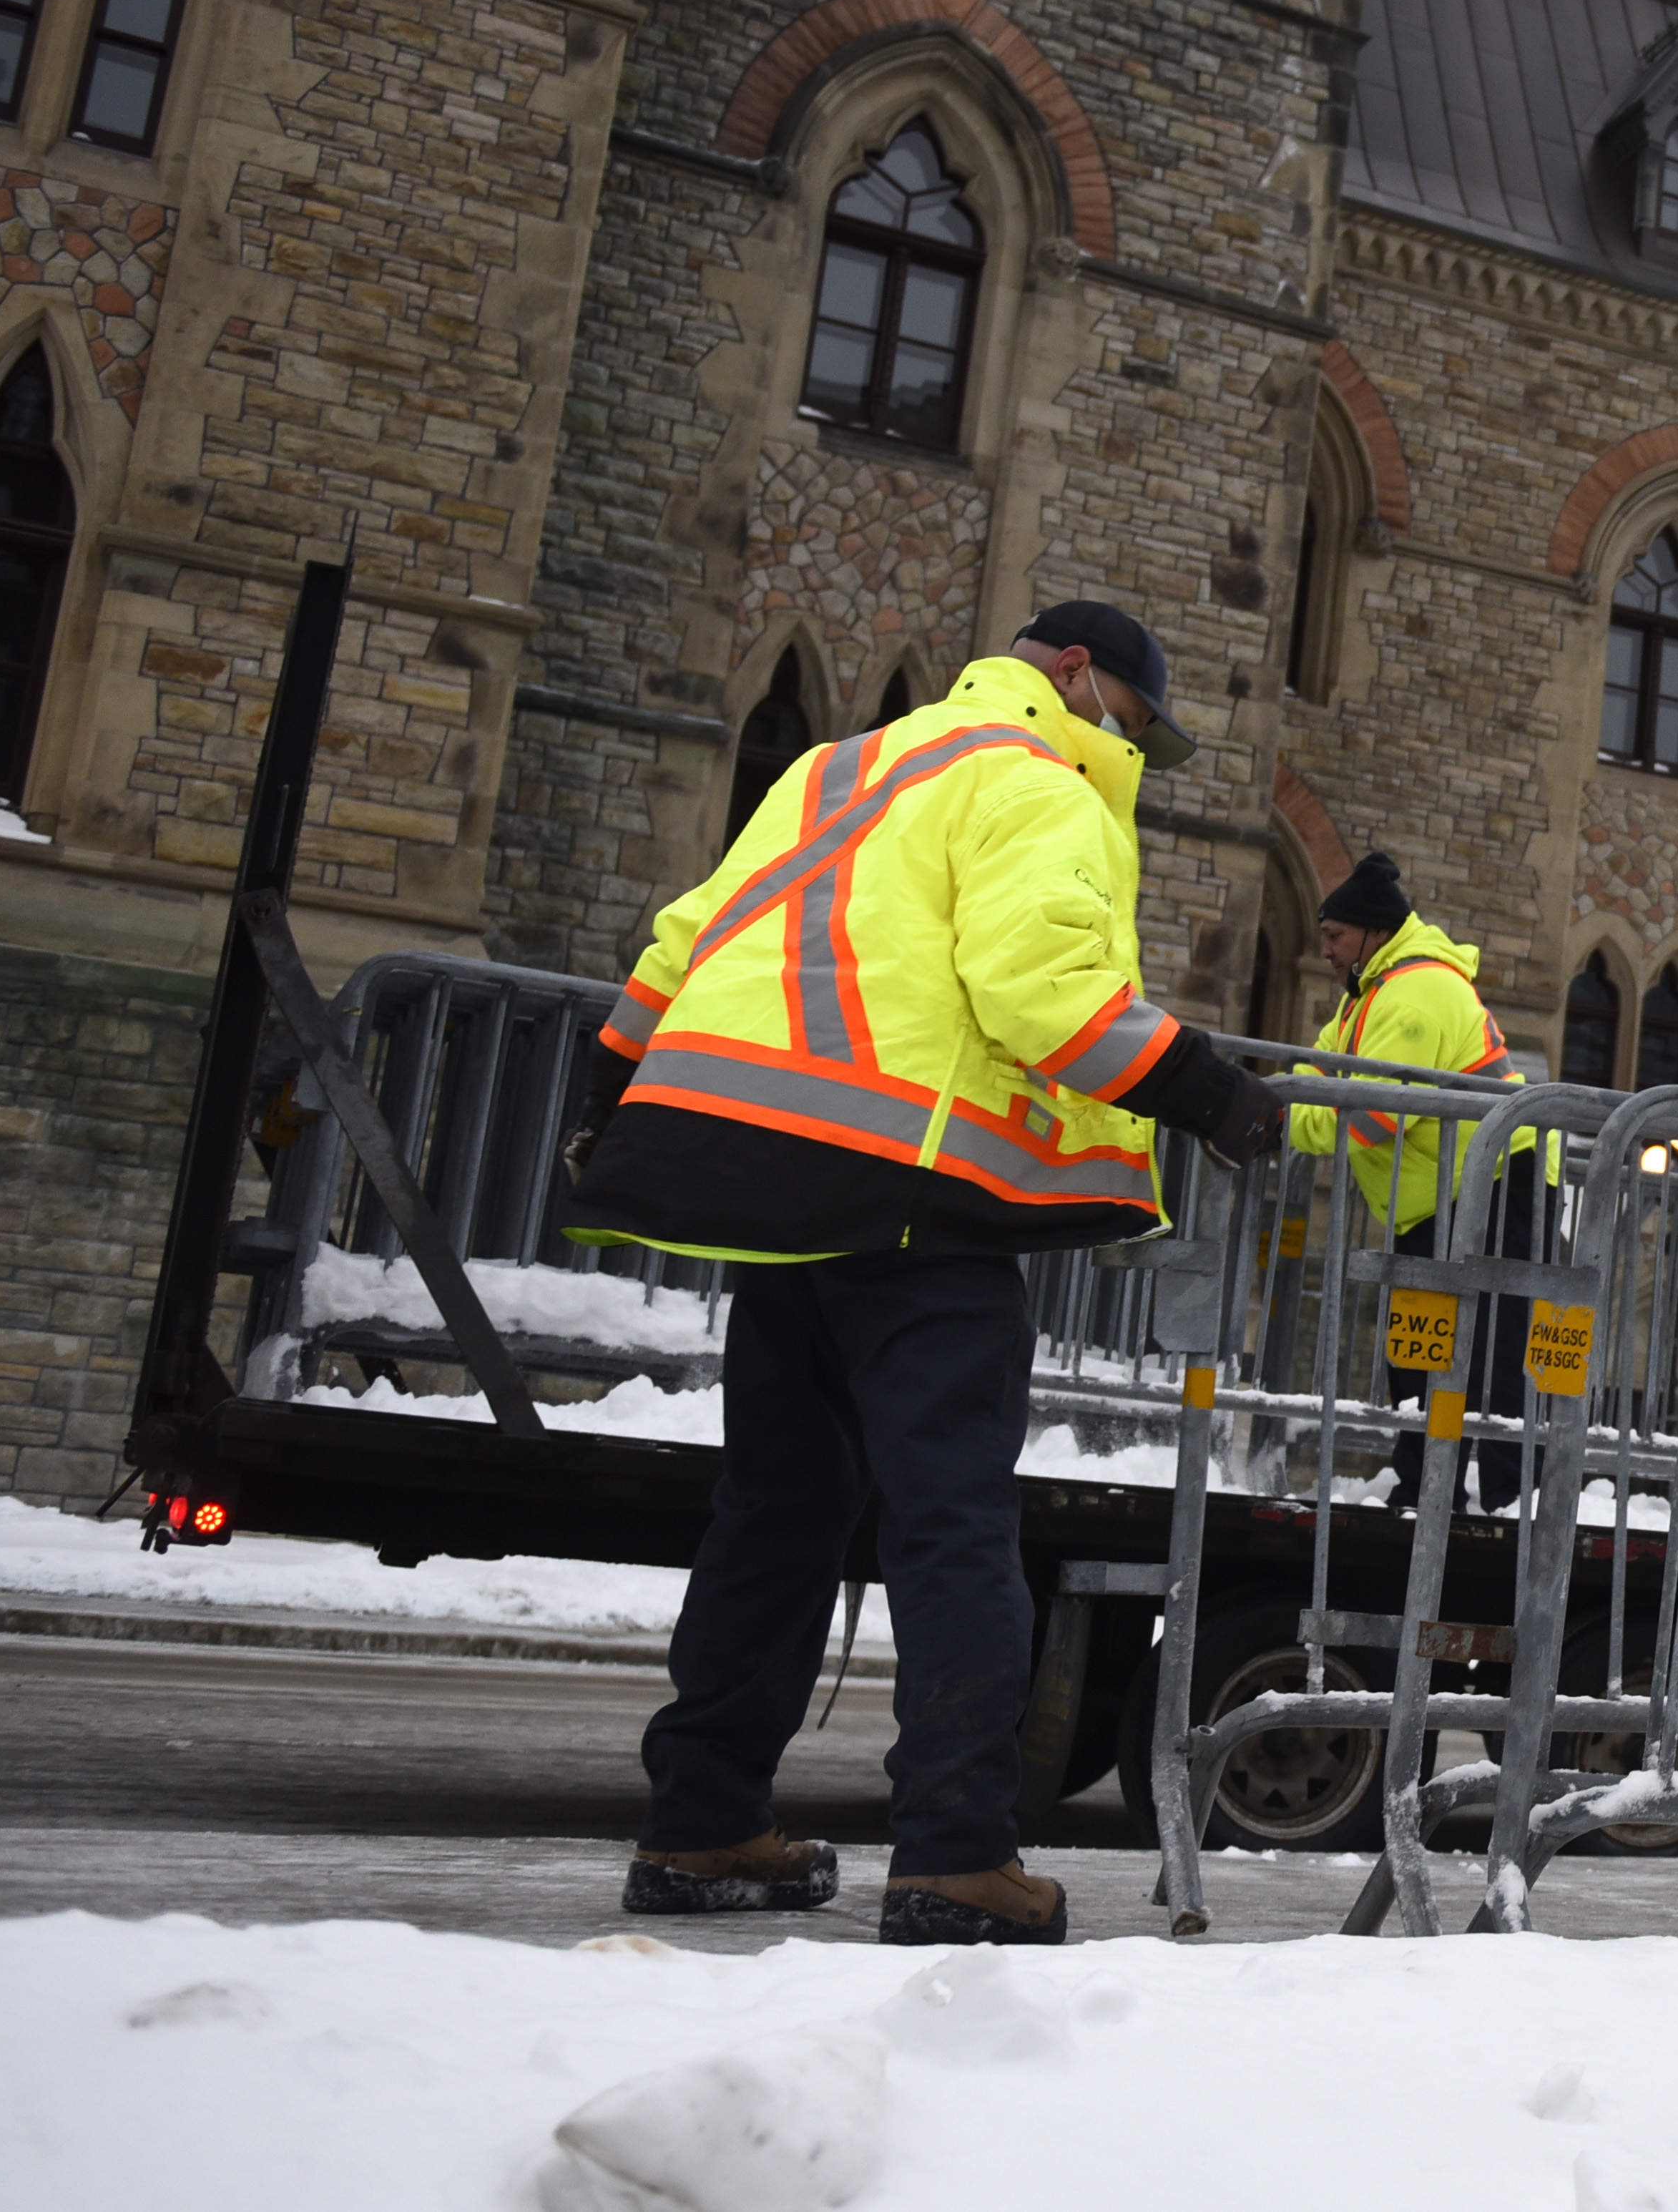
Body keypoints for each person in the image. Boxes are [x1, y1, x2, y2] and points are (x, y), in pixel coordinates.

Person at [564, 600, 1285, 1948]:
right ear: (1075, 675)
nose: (1128, 745)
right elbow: (1040, 994)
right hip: (917, 1205)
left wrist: (607, 1101)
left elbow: (678, 948)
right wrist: (1214, 1097)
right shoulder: (1036, 785)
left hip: (777, 1200)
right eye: (1132, 718)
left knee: (771, 1521)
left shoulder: (834, 770)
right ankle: (955, 1854)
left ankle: (702, 1822)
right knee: (951, 1526)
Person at [1284, 852, 1544, 1511]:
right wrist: (1296, 1102)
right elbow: (1319, 1073)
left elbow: (1371, 1116)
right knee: (1424, 1343)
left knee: (1491, 1350)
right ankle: (1435, 1484)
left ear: (1373, 932)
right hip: (1448, 1191)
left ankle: (1507, 1497)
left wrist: (1280, 1119)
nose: (1325, 951)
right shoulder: (1370, 997)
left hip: (1491, 1185)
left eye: (1334, 936)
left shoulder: (1414, 994)